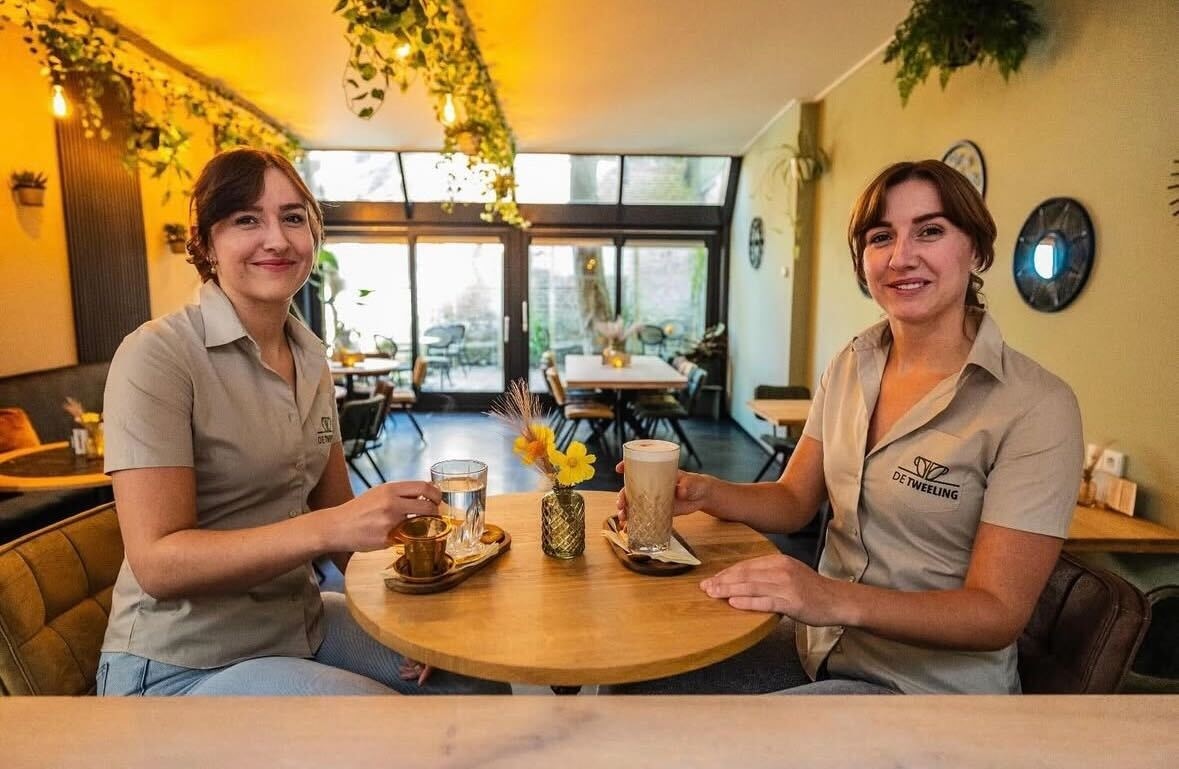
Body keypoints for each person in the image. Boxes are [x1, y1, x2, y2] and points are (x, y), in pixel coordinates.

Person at [610, 159, 1083, 695]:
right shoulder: (852, 364)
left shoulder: (1036, 406)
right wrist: (704, 491)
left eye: (930, 230)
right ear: (864, 261)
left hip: (924, 692)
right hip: (817, 646)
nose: (902, 256)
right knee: (636, 677)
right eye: (882, 236)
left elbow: (997, 613)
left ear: (975, 249)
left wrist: (826, 596)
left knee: (659, 731)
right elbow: (793, 499)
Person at [97, 148, 509, 696]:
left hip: (298, 623)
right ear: (206, 243)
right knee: (388, 727)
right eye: (247, 219)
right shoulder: (158, 354)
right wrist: (331, 527)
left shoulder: (310, 355)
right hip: (183, 660)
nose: (277, 239)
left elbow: (339, 518)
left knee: (470, 675)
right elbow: (158, 564)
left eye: (293, 218)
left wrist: (422, 611)